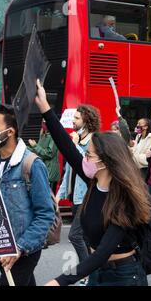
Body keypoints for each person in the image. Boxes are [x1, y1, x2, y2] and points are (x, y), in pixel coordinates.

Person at [36, 80, 151, 286]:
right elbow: (66, 147)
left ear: (105, 161)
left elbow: (101, 254)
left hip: (124, 276)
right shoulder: (94, 181)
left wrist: (58, 282)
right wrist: (46, 108)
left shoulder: (123, 199)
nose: (84, 159)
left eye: (88, 155)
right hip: (98, 272)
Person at [0, 104, 55, 286]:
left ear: (10, 131)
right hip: (3, 246)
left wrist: (20, 248)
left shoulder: (32, 164)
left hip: (24, 250)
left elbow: (45, 214)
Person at [56, 105, 100, 277]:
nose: (73, 121)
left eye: (76, 118)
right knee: (87, 239)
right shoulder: (78, 140)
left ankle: (86, 272)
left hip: (88, 197)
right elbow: (69, 170)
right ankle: (94, 271)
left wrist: (74, 147)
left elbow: (88, 168)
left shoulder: (93, 141)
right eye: (73, 117)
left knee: (75, 236)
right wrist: (59, 195)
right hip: (75, 196)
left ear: (86, 121)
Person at [28, 120, 60, 191]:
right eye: (42, 122)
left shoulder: (54, 135)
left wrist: (35, 146)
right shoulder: (43, 134)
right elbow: (38, 152)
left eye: (45, 123)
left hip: (50, 174)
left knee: (49, 198)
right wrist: (26, 148)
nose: (44, 124)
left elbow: (49, 154)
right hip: (42, 171)